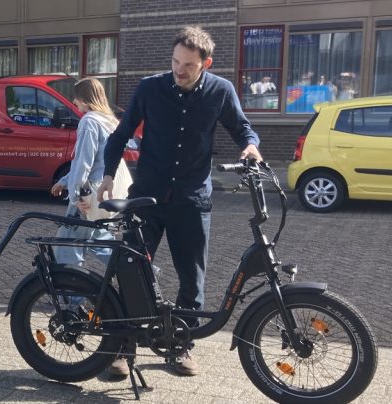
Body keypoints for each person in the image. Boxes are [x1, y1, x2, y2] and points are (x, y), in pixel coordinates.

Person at [91, 26, 263, 377]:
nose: (179, 70)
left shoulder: (220, 91)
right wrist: (108, 174)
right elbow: (120, 135)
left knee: (192, 277)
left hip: (191, 199)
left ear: (206, 64)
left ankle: (181, 347)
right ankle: (123, 348)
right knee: (131, 271)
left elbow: (242, 128)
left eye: (188, 65)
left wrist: (250, 146)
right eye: (175, 62)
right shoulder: (150, 88)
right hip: (146, 198)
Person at [50, 78, 119, 269]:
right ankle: (139, 271)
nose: (74, 101)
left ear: (86, 98)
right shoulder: (110, 121)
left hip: (88, 194)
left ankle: (70, 288)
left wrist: (75, 195)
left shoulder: (89, 121)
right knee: (101, 242)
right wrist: (64, 180)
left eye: (76, 97)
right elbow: (99, 162)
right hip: (104, 192)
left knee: (67, 247)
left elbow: (84, 162)